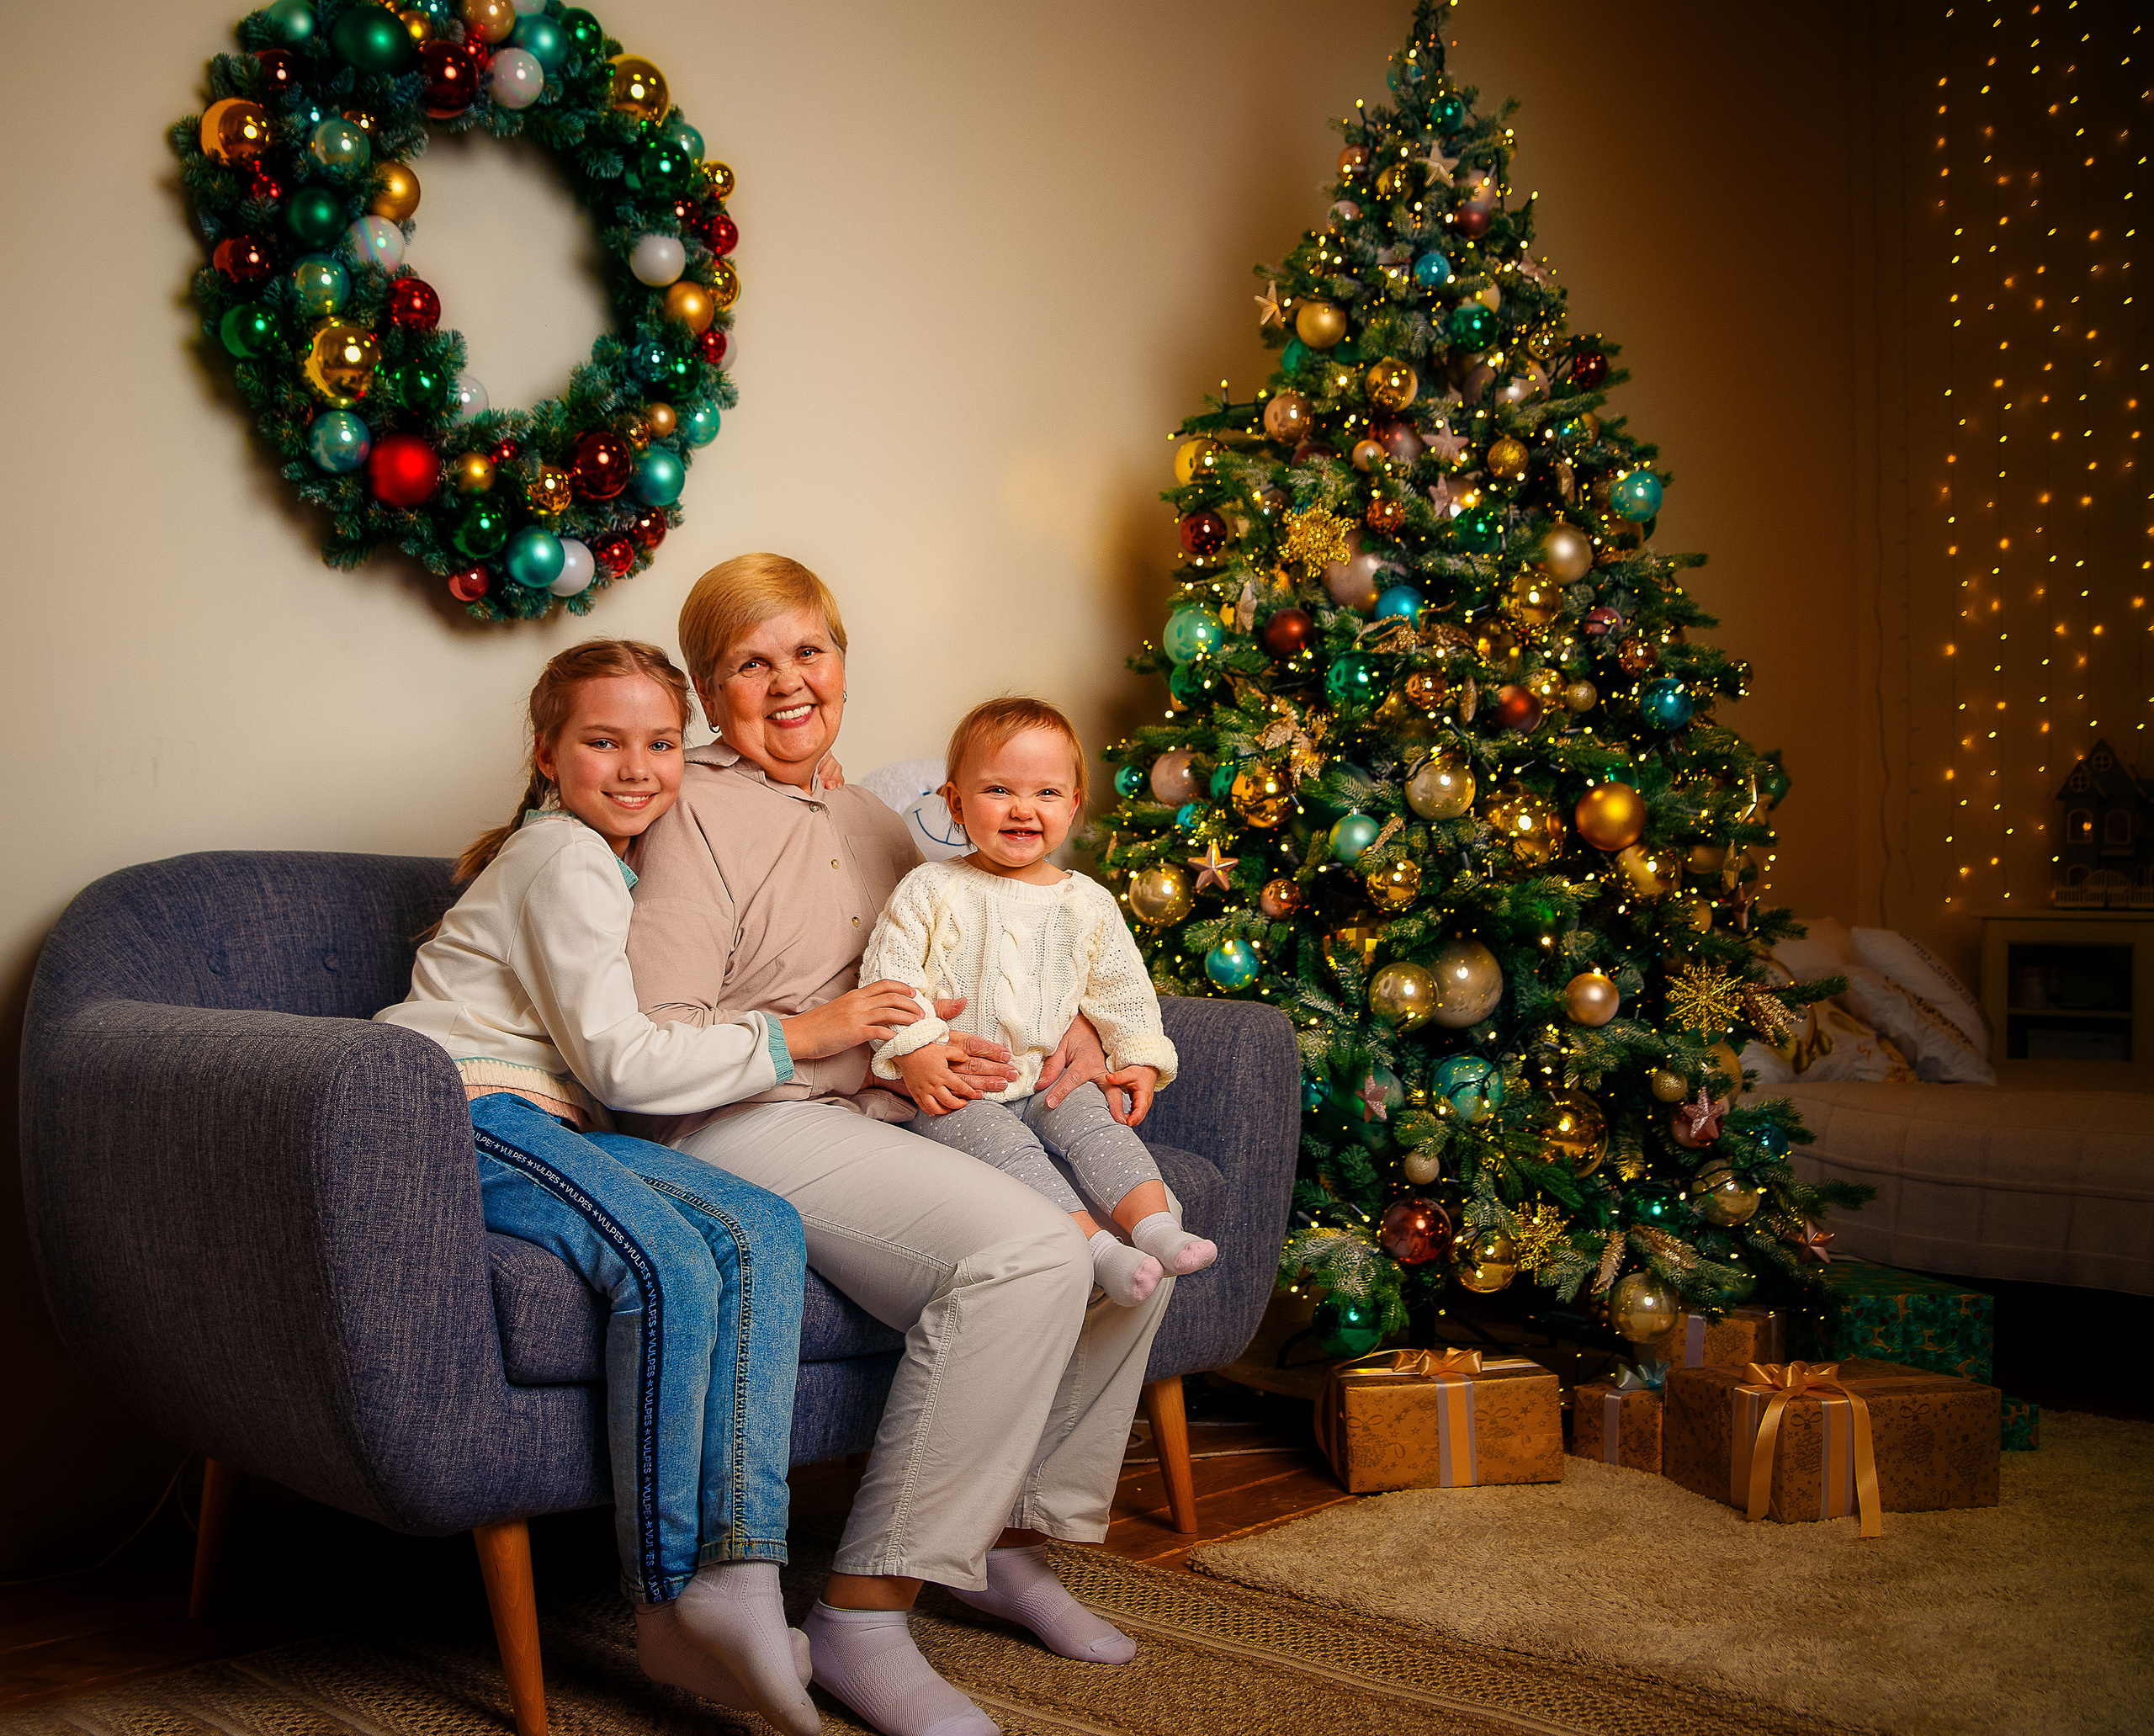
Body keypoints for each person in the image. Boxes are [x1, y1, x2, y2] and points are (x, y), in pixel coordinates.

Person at [625, 555, 1175, 1736]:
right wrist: (814, 1034)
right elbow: (658, 1038)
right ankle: (864, 1615)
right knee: (1036, 1252)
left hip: (897, 1106)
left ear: (840, 660)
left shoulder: (882, 820)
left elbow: (981, 939)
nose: (787, 683)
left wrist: (1077, 1020)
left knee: (1143, 1248)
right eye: (749, 663)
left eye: (808, 651)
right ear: (708, 688)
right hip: (751, 1120)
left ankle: (1004, 1539)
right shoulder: (688, 809)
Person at [376, 639, 894, 1736]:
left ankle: (745, 1575)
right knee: (664, 1263)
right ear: (546, 751)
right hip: (463, 1107)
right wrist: (796, 1039)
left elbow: (742, 776)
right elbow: (616, 1061)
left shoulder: (615, 853)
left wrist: (822, 784)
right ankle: (668, 1598)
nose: (638, 766)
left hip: (548, 1114)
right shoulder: (557, 853)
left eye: (660, 741)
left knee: (760, 1228)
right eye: (603, 740)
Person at [860, 697, 1218, 1307]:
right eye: (998, 789)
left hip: (1050, 1076)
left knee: (1099, 1130)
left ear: (1073, 805)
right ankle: (1099, 1250)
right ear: (955, 803)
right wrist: (916, 1051)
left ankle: (1157, 1227)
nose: (1023, 808)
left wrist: (1139, 1058)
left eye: (1047, 793)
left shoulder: (1088, 903)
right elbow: (889, 980)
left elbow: (1124, 991)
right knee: (1009, 1153)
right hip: (960, 1088)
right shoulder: (931, 887)